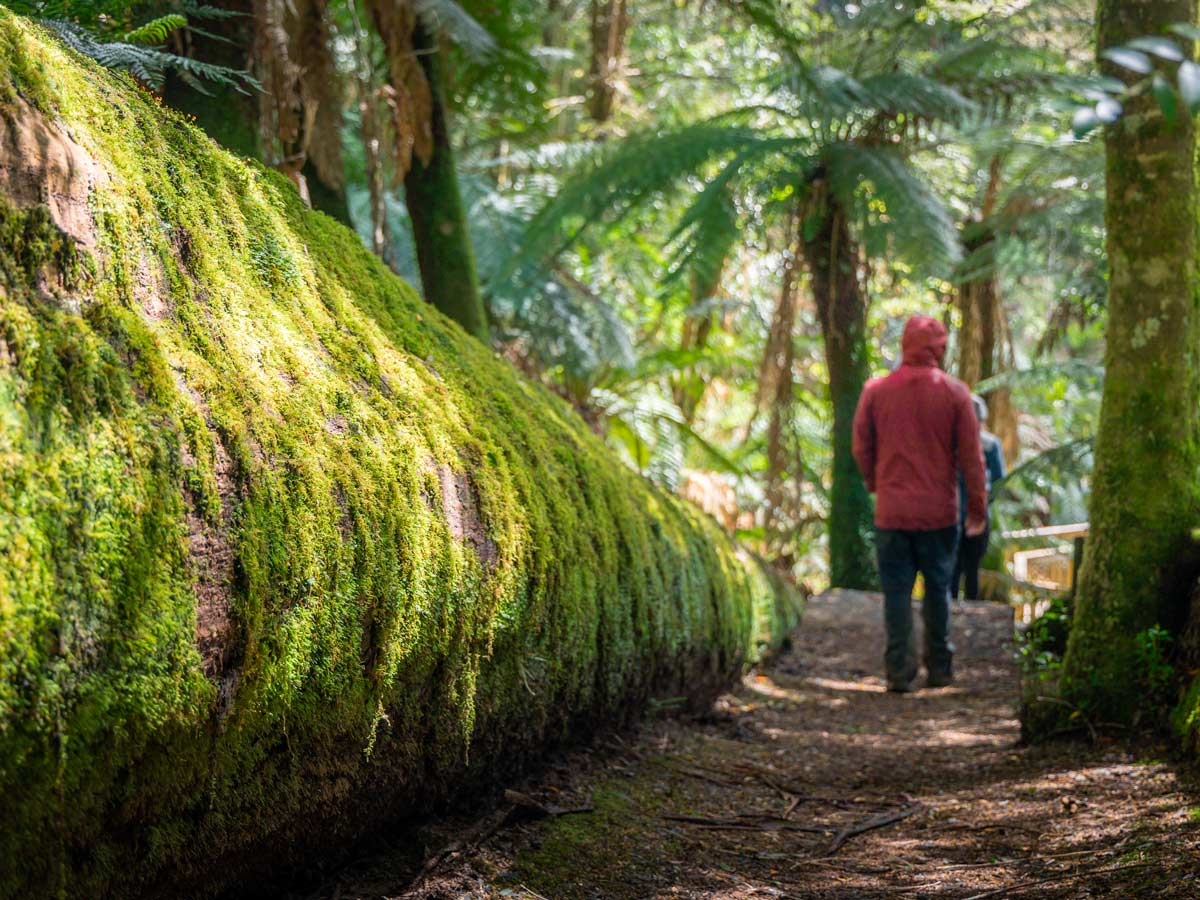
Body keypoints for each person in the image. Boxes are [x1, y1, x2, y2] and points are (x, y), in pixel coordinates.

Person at [852, 316, 987, 692]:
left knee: (896, 594)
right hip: (939, 514)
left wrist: (875, 483)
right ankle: (940, 669)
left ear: (904, 346)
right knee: (939, 590)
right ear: (940, 348)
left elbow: (861, 446)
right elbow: (972, 458)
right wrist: (977, 509)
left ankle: (899, 672)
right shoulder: (955, 393)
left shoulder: (876, 391)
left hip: (892, 512)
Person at [950, 395, 1006, 601]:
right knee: (972, 568)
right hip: (979, 514)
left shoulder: (950, 443)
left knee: (955, 567)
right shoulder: (990, 444)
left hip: (953, 513)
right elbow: (1000, 480)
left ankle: (952, 610)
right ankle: (972, 611)